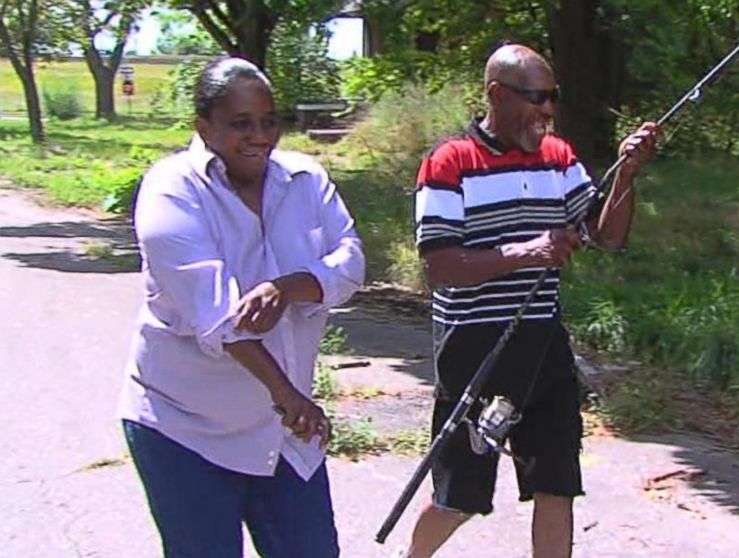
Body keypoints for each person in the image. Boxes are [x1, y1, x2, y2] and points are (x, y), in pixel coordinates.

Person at [406, 44, 658, 557]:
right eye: (536, 97)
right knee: (461, 497)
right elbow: (440, 267)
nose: (547, 110)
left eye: (553, 98)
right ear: (497, 95)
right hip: (475, 351)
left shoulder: (558, 157)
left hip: (543, 347)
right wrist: (529, 252)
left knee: (556, 485)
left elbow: (605, 236)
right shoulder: (449, 162)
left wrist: (626, 177)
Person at [118, 56, 364, 558]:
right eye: (240, 124)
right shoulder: (172, 190)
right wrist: (289, 396)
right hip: (186, 430)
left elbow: (351, 261)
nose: (260, 136)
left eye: (269, 121)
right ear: (203, 126)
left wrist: (291, 286)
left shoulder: (305, 180)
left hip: (282, 437)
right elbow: (219, 315)